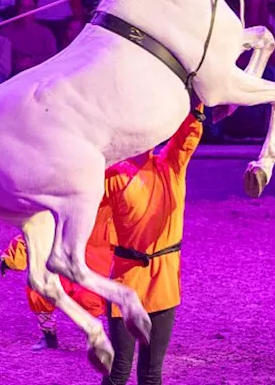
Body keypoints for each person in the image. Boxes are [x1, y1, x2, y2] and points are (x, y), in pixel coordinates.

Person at [102, 103, 204, 385]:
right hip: (126, 284)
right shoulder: (111, 176)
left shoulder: (170, 166)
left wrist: (196, 102)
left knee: (150, 373)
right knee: (118, 370)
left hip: (163, 283)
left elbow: (188, 135)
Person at [0, 195, 114, 351]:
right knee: (39, 289)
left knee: (92, 300)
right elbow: (38, 229)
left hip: (95, 270)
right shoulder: (62, 199)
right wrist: (13, 258)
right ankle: (49, 336)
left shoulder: (110, 201)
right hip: (63, 265)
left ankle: (104, 338)